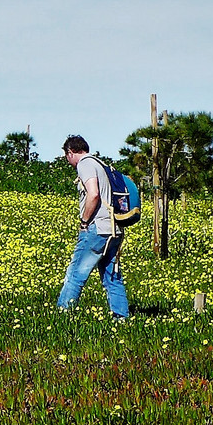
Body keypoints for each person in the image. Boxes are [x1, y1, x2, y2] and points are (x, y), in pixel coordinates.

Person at [56, 135, 131, 317]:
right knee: (111, 276)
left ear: (70, 152)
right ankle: (121, 318)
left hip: (97, 229)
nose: (68, 161)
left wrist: (84, 221)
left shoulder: (85, 164)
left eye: (67, 157)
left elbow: (94, 194)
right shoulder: (102, 165)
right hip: (114, 228)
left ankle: (62, 315)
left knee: (75, 274)